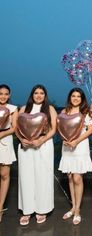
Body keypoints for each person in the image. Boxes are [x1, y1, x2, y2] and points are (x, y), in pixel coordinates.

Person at [16, 84, 57, 225]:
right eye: (36, 93)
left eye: (41, 93)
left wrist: (41, 140)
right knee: (26, 177)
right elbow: (16, 128)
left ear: (45, 95)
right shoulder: (23, 109)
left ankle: (42, 209)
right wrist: (22, 140)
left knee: (42, 176)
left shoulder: (50, 109)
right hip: (26, 146)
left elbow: (53, 130)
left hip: (43, 145)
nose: (39, 95)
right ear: (31, 95)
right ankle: (27, 210)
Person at [58, 88, 92, 225]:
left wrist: (76, 141)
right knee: (69, 177)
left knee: (77, 178)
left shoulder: (86, 112)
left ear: (82, 98)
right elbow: (60, 129)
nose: (75, 98)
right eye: (73, 96)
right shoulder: (63, 112)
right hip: (67, 147)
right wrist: (64, 139)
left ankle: (78, 210)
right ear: (70, 97)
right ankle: (73, 207)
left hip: (79, 147)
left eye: (78, 96)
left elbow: (90, 130)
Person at [0, 84, 18, 222]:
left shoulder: (13, 109)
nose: (3, 96)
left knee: (4, 175)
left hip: (5, 140)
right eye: (1, 93)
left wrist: (2, 134)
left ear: (9, 95)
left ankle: (0, 208)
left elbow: (15, 128)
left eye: (6, 94)